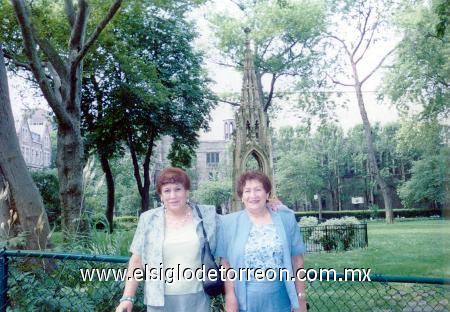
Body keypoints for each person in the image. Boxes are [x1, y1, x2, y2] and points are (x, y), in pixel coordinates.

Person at [115, 167, 218, 312]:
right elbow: (137, 260)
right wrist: (127, 298)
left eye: (178, 189)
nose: (173, 195)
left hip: (198, 298)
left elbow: (230, 235)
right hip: (159, 301)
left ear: (187, 191)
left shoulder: (207, 215)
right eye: (167, 191)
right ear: (161, 196)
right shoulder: (148, 219)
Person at [216, 171, 307, 312]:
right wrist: (230, 296)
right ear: (241, 196)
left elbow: (297, 261)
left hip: (281, 299)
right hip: (244, 301)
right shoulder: (228, 223)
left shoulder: (285, 219)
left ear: (267, 193)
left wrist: (300, 297)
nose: (253, 195)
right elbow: (226, 264)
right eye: (247, 191)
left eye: (258, 189)